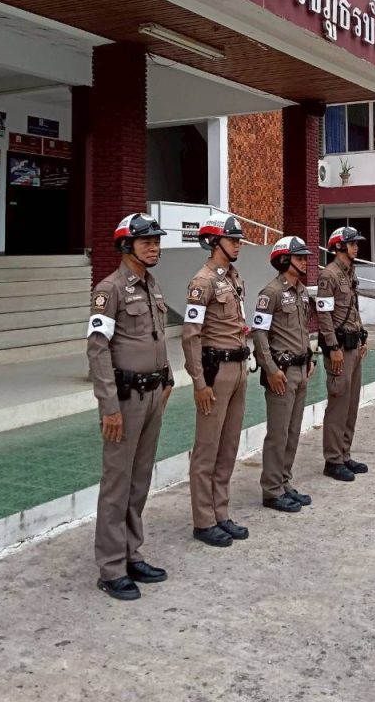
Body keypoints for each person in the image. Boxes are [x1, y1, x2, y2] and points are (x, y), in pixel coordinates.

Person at [88, 213, 173, 601]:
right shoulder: (110, 290)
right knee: (117, 484)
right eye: (146, 242)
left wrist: (167, 378)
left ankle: (131, 554)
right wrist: (109, 406)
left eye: (156, 241)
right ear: (127, 246)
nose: (154, 247)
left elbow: (158, 337)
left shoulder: (152, 286)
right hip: (124, 400)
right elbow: (97, 350)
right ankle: (111, 567)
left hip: (152, 394)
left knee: (139, 481)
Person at [182, 212, 249, 547]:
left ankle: (220, 512)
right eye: (232, 240)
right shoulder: (202, 282)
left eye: (238, 240)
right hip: (216, 372)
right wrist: (198, 382)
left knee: (228, 446)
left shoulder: (233, 277)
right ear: (213, 241)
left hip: (238, 367)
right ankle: (203, 520)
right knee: (207, 449)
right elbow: (190, 336)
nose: (238, 245)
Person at [252, 235, 316, 513]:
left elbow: (302, 330)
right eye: (299, 257)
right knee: (278, 433)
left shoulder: (302, 292)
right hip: (281, 373)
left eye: (304, 257)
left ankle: (284, 482)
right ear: (283, 260)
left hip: (301, 369)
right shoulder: (271, 292)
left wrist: (310, 356)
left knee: (292, 431)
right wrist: (270, 369)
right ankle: (271, 489)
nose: (304, 262)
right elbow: (259, 334)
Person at [316, 225, 369, 482]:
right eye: (352, 243)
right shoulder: (330, 275)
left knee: (351, 405)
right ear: (339, 246)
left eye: (356, 243)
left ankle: (345, 453)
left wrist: (362, 336)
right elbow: (324, 315)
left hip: (353, 345)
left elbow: (353, 309)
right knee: (338, 405)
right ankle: (333, 459)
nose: (356, 247)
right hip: (339, 349)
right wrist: (333, 347)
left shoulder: (350, 273)